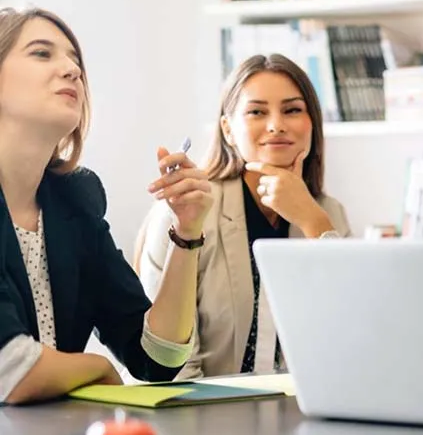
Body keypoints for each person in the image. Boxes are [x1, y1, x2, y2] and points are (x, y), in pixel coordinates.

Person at [0, 7, 205, 404]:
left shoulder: (75, 200)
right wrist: (102, 369)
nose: (72, 70)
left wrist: (188, 232)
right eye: (42, 54)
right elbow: (10, 368)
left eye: (75, 60)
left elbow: (157, 359)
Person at [136, 54, 351, 378]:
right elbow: (171, 368)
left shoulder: (327, 213)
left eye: (292, 110)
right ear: (228, 129)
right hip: (204, 416)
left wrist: (312, 221)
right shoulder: (186, 211)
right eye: (256, 112)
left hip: (302, 412)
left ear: (313, 124)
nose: (276, 124)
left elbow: (351, 336)